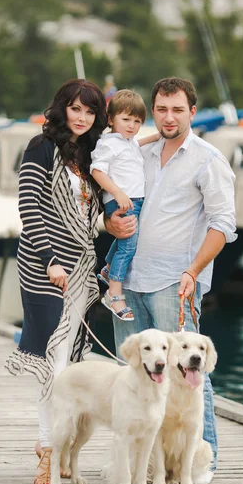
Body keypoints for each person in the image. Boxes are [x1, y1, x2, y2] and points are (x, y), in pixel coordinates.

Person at [105, 77, 237, 484]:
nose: (168, 116)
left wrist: (193, 271)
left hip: (172, 282)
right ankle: (146, 466)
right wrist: (110, 222)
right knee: (134, 373)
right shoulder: (138, 153)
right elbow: (116, 205)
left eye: (177, 109)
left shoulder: (209, 160)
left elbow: (223, 224)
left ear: (192, 112)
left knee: (190, 373)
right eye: (161, 109)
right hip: (126, 281)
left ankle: (201, 461)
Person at [5, 78, 107, 484]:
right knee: (56, 363)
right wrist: (49, 260)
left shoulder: (88, 156)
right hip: (43, 267)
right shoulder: (40, 147)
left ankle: (61, 449)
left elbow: (89, 218)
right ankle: (48, 453)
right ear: (62, 107)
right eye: (75, 108)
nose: (81, 118)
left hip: (81, 269)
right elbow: (29, 205)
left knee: (71, 362)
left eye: (90, 111)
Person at [90, 89, 159, 321]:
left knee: (127, 241)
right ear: (111, 119)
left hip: (132, 200)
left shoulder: (126, 142)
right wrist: (117, 193)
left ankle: (109, 268)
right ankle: (114, 294)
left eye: (137, 121)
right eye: (126, 119)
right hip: (121, 202)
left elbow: (136, 145)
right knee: (129, 246)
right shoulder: (109, 143)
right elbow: (97, 170)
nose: (132, 125)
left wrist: (157, 136)